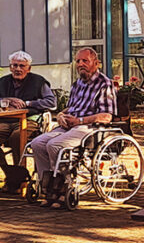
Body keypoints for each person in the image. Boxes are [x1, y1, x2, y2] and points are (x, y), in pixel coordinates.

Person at [29, 48, 116, 208]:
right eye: (78, 61)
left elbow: (107, 116)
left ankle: (64, 188)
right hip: (70, 125)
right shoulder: (77, 84)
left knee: (54, 145)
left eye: (85, 61)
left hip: (89, 127)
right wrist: (61, 116)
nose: (80, 64)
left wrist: (79, 120)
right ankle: (47, 189)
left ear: (96, 63)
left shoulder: (104, 84)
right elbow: (70, 108)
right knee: (37, 143)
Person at [0, 50, 55, 192]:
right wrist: (5, 100)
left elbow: (51, 102)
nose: (18, 69)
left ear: (29, 68)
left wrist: (28, 103)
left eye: (22, 66)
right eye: (14, 65)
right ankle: (13, 175)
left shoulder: (38, 81)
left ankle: (15, 178)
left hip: (29, 120)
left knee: (17, 138)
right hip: (4, 120)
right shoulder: (3, 82)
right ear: (10, 67)